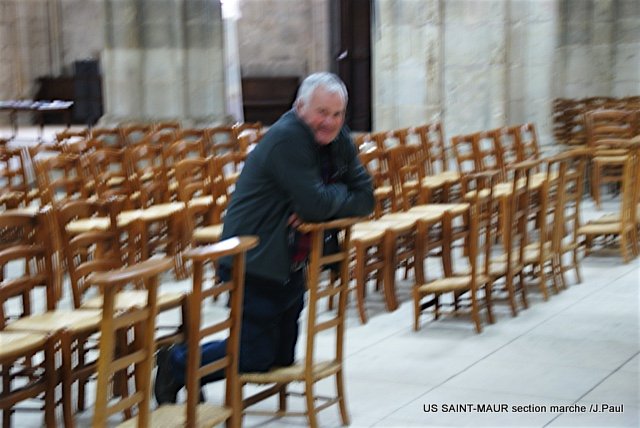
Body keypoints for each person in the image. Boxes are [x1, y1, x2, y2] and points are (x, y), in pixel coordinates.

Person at [155, 72, 374, 404]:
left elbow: (366, 197)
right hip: (254, 257)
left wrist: (329, 198)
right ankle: (176, 362)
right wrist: (334, 198)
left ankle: (186, 364)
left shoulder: (338, 139)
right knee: (255, 356)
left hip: (289, 261)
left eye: (337, 114)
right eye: (322, 112)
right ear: (300, 106)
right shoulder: (288, 138)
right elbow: (314, 205)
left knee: (280, 359)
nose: (329, 122)